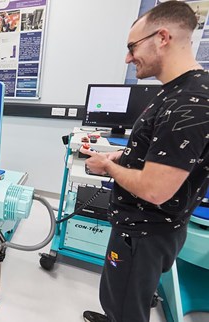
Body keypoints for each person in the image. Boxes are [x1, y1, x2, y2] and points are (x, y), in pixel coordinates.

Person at [81, 2, 209, 322]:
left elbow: (154, 190)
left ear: (162, 37)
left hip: (145, 233)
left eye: (132, 47)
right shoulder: (174, 92)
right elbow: (154, 153)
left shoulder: (188, 103)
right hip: (140, 228)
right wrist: (119, 156)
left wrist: (107, 167)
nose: (128, 58)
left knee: (127, 309)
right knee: (118, 298)